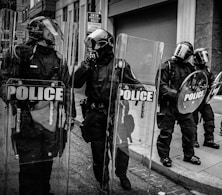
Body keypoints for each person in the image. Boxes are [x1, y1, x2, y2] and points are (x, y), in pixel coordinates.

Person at [0, 16, 73, 195]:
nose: (54, 34)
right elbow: (3, 82)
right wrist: (16, 95)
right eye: (50, 30)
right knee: (29, 169)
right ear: (38, 31)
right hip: (27, 122)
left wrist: (70, 114)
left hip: (51, 121)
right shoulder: (20, 53)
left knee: (46, 166)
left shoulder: (59, 58)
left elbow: (67, 88)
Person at [73, 28, 142, 193]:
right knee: (98, 151)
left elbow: (134, 83)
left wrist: (143, 91)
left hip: (116, 113)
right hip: (95, 114)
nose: (93, 49)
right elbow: (74, 82)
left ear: (106, 45)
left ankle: (122, 175)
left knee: (121, 149)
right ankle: (103, 180)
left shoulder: (121, 64)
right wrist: (86, 65)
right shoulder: (90, 64)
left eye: (95, 45)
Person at [156, 41, 201, 168]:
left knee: (190, 130)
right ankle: (164, 156)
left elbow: (195, 82)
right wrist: (176, 94)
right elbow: (161, 86)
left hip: (184, 106)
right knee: (166, 132)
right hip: (169, 105)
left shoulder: (189, 67)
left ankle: (189, 155)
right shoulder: (167, 66)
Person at [192, 48, 220, 149]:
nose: (204, 59)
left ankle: (209, 140)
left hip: (204, 99)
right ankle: (193, 140)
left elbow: (212, 79)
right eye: (202, 56)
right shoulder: (192, 69)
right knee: (193, 121)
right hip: (194, 99)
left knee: (209, 118)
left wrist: (215, 83)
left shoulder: (207, 69)